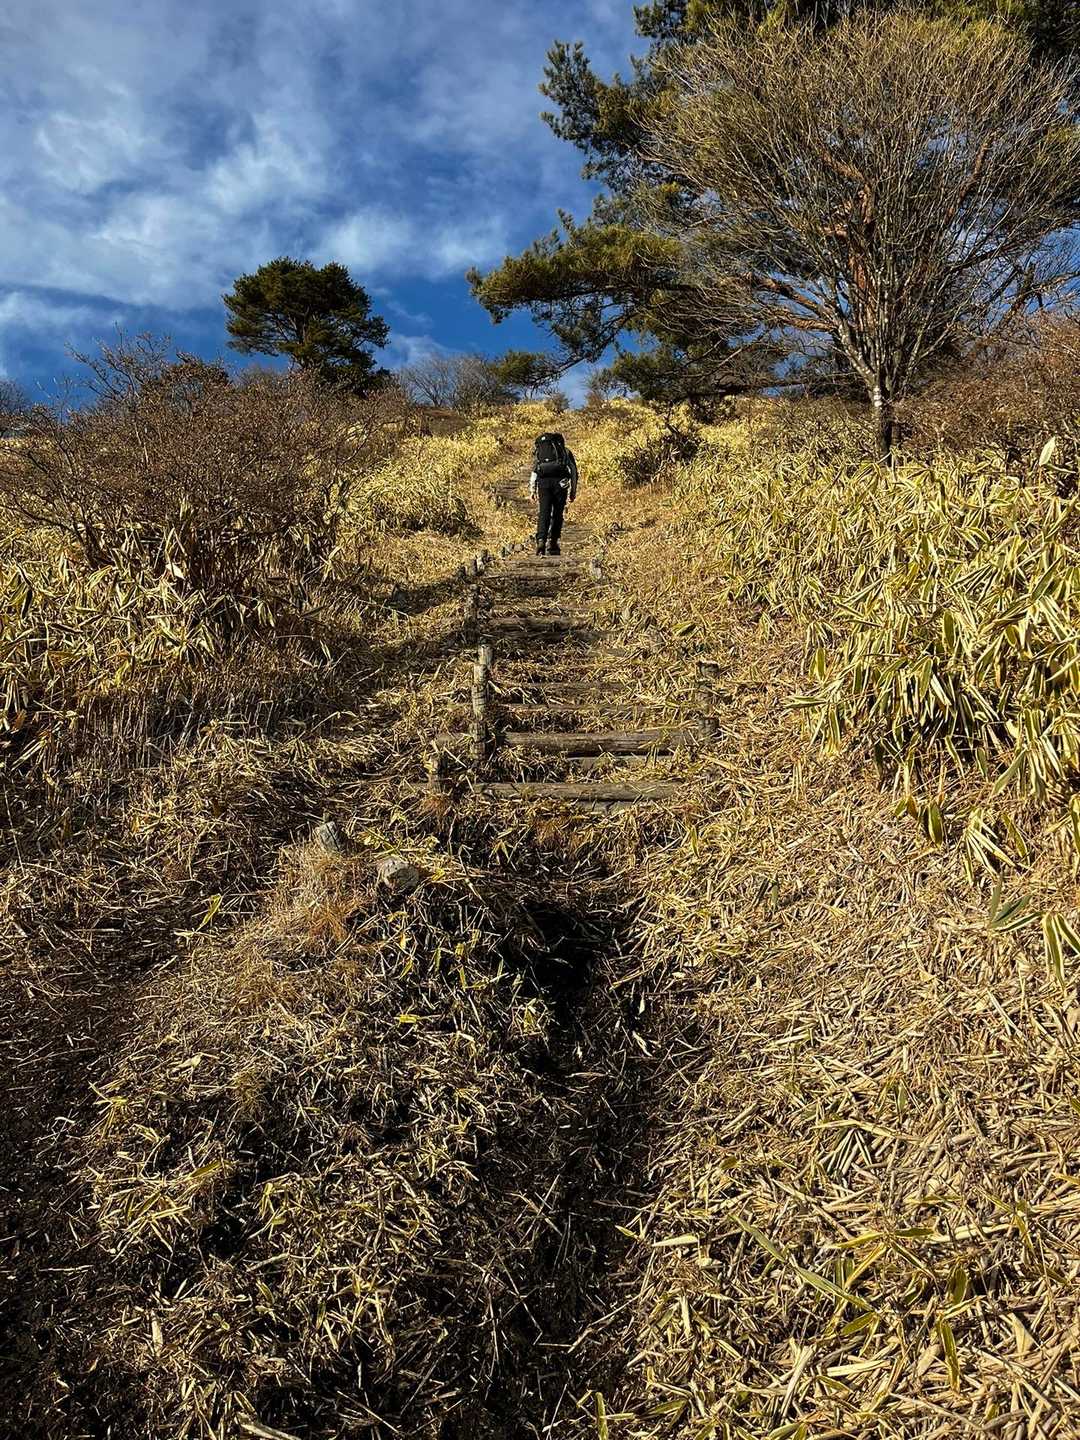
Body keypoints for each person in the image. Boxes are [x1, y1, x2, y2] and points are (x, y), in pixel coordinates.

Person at [528, 432, 578, 556]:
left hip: (543, 484)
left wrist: (532, 490)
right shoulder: (565, 451)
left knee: (544, 512)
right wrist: (573, 491)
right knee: (557, 513)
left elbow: (534, 471)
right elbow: (573, 471)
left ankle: (541, 540)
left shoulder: (540, 452)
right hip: (560, 484)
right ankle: (553, 542)